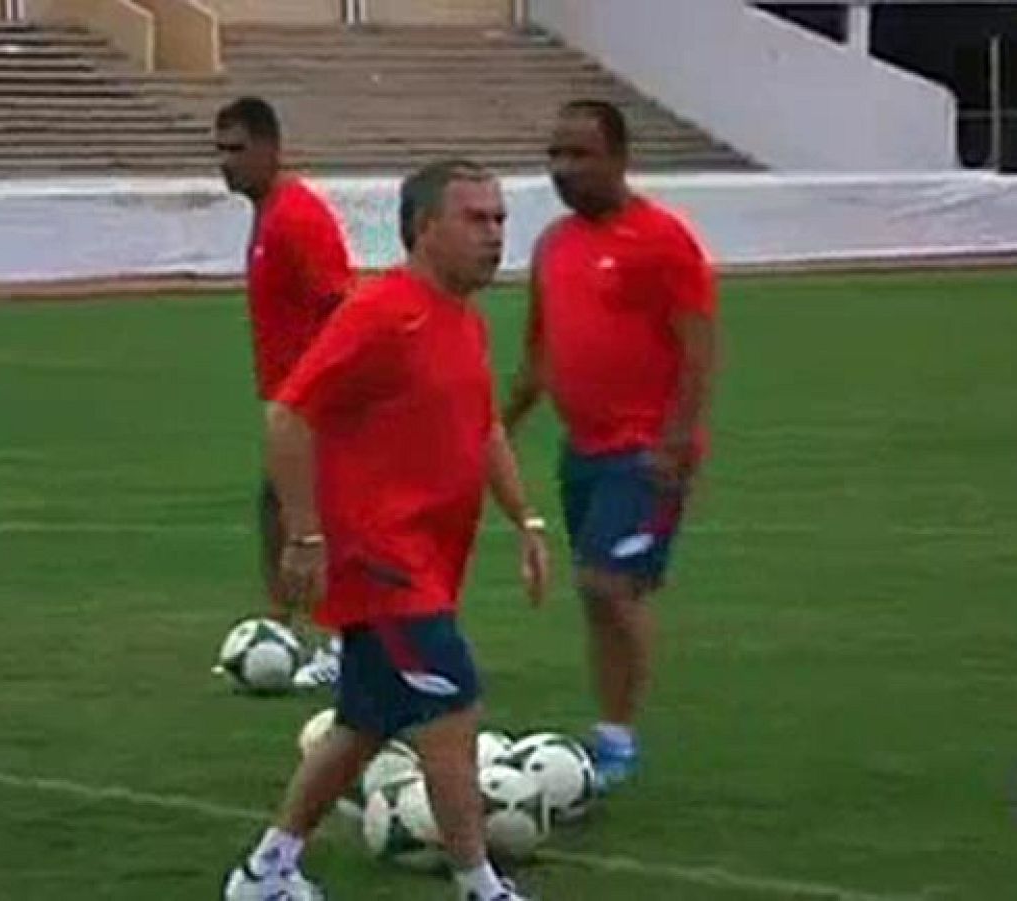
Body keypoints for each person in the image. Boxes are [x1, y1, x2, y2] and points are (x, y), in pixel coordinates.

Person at [223, 160, 549, 901]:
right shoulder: (381, 313)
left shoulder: (461, 319)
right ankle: (479, 885)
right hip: (384, 561)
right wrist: (305, 536)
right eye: (476, 220)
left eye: (499, 219)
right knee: (450, 703)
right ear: (424, 227)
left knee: (362, 724)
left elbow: (484, 424)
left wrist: (524, 518)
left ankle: (265, 871)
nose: (495, 236)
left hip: (430, 561)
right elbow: (288, 412)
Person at [503, 100, 719, 788]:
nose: (564, 169)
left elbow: (698, 348)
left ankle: (622, 737)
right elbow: (540, 354)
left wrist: (674, 442)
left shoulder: (662, 240)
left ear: (620, 158)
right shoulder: (554, 245)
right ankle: (609, 730)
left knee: (607, 584)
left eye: (580, 155)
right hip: (584, 449)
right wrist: (494, 426)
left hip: (646, 452)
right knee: (599, 593)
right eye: (556, 155)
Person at [214, 95, 355, 689]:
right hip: (287, 401)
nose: (225, 163)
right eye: (220, 150)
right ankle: (282, 626)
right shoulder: (267, 211)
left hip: (315, 401)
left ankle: (343, 641)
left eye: (237, 150)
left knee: (322, 518)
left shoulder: (298, 217)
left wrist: (324, 393)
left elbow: (339, 306)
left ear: (272, 148)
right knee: (276, 508)